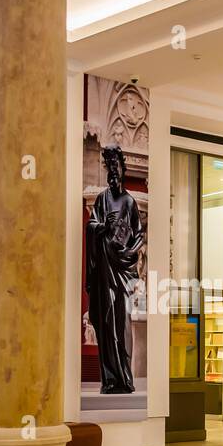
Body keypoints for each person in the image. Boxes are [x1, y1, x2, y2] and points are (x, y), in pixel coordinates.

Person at [86, 144, 144, 393]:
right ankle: (110, 378)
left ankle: (124, 377)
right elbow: (92, 226)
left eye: (115, 166)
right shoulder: (101, 199)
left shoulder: (129, 202)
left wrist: (131, 251)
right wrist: (102, 228)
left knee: (121, 324)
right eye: (108, 167)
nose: (112, 172)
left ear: (122, 168)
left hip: (121, 269)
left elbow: (139, 233)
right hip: (104, 270)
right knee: (107, 323)